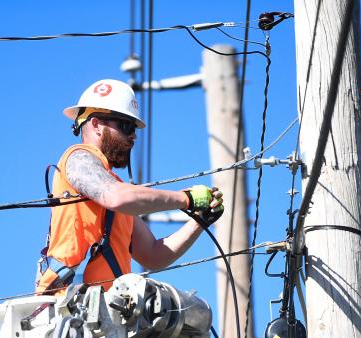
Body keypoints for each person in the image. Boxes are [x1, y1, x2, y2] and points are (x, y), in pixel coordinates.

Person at [36, 79, 225, 293]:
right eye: (126, 126)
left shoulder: (115, 190)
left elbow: (153, 255)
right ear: (97, 125)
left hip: (105, 313)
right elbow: (117, 197)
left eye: (134, 128)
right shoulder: (78, 158)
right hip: (67, 308)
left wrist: (199, 221)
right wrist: (185, 199)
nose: (133, 135)